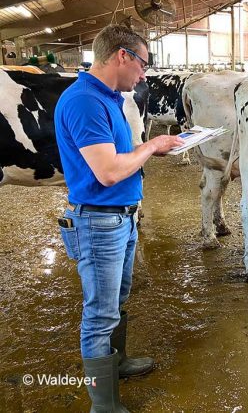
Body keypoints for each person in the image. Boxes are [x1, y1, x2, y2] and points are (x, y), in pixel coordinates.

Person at [54, 24, 184, 412]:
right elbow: (108, 171)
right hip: (98, 221)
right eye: (143, 64)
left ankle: (119, 362)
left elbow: (119, 159)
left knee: (116, 300)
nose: (145, 75)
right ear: (122, 56)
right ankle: (104, 406)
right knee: (99, 313)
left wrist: (149, 150)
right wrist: (154, 145)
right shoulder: (85, 102)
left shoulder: (108, 97)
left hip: (119, 218)